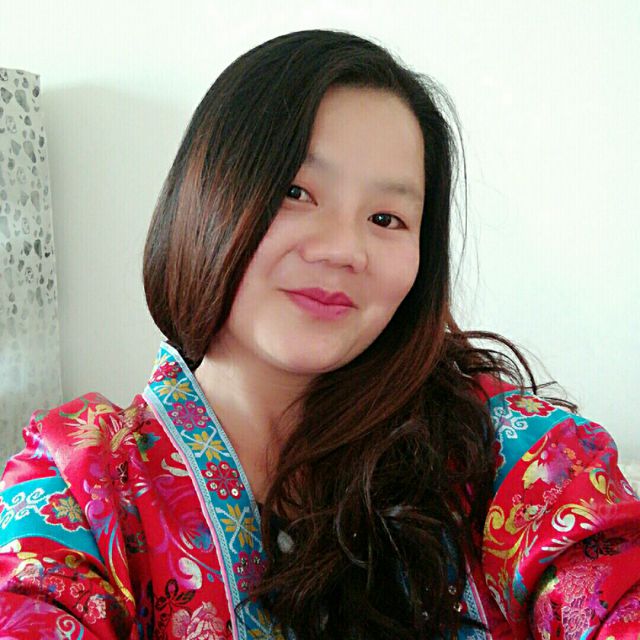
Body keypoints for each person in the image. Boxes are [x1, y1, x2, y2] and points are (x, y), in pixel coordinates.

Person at [0, 29, 638, 640]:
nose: (343, 250)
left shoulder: (511, 453)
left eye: (386, 218)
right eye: (296, 191)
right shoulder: (76, 488)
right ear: (205, 199)